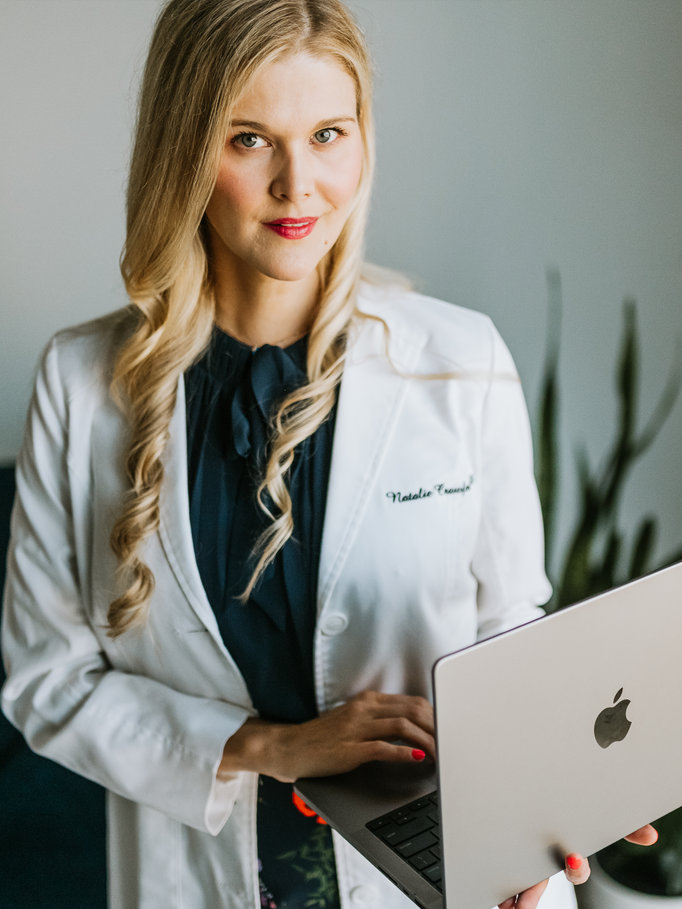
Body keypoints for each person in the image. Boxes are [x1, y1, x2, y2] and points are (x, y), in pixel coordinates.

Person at [0, 1, 656, 908]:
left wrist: (559, 787)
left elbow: (512, 623)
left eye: (327, 133)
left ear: (362, 140)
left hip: (437, 881)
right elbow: (48, 682)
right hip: (196, 878)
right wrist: (268, 746)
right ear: (184, 149)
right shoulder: (79, 383)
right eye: (249, 139)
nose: (298, 184)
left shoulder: (462, 360)